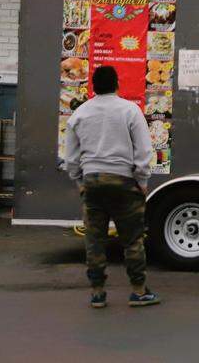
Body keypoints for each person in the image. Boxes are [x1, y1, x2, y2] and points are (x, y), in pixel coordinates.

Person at [64, 65, 159, 309]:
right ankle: (138, 291)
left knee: (95, 240)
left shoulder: (80, 114)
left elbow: (71, 157)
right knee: (132, 239)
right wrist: (142, 181)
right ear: (117, 84)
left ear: (93, 87)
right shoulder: (130, 110)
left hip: (93, 182)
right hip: (124, 182)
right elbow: (144, 150)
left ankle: (97, 292)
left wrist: (79, 182)